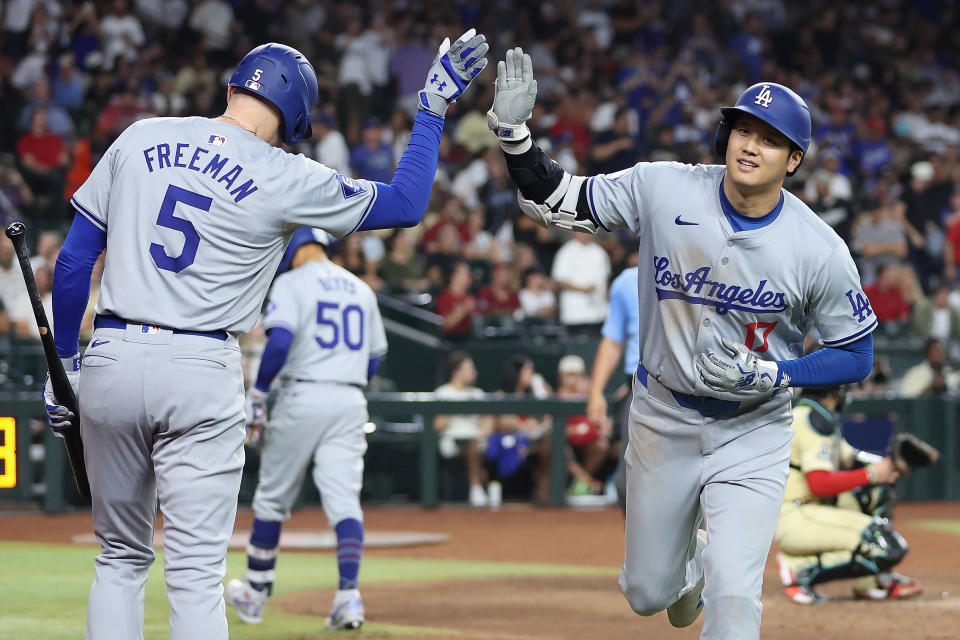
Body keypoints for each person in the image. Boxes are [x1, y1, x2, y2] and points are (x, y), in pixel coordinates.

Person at [41, 35, 487, 640]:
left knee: (120, 559)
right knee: (196, 577)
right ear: (295, 121)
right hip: (202, 366)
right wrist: (431, 107)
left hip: (113, 355)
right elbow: (407, 204)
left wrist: (63, 364)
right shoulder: (287, 173)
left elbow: (72, 267)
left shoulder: (140, 135)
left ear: (232, 88)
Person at [487, 50, 876, 638]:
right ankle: (683, 573)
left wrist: (778, 376)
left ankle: (710, 577)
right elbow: (558, 199)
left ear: (794, 160)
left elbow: (857, 354)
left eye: (769, 140)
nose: (749, 145)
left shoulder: (819, 248)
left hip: (754, 427)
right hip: (661, 416)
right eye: (742, 129)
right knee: (647, 592)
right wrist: (515, 139)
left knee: (735, 593)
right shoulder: (662, 187)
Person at [224, 228, 386, 630]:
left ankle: (257, 595)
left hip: (303, 395)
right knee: (345, 502)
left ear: (294, 249)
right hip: (350, 399)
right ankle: (349, 596)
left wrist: (259, 391)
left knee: (272, 498)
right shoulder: (360, 287)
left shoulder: (292, 281)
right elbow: (375, 359)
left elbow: (279, 343)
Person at [774, 386, 920, 603]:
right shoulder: (812, 419)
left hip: (804, 512)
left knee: (874, 492)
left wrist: (891, 465)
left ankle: (869, 582)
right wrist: (872, 473)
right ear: (834, 391)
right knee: (886, 546)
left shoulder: (815, 415)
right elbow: (819, 483)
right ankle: (800, 569)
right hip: (796, 516)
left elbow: (851, 459)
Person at [587, 263, 639, 512]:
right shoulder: (627, 281)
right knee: (627, 483)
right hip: (639, 388)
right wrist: (596, 392)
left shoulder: (705, 272)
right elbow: (612, 342)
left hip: (695, 389)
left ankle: (696, 546)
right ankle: (649, 550)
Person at [433, 351, 495, 508]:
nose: (474, 372)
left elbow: (487, 422)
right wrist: (455, 408)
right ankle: (476, 486)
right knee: (472, 443)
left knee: (478, 443)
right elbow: (438, 425)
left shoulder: (477, 394)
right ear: (457, 372)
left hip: (477, 440)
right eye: (470, 369)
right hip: (451, 441)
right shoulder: (443, 393)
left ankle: (482, 488)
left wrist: (485, 429)